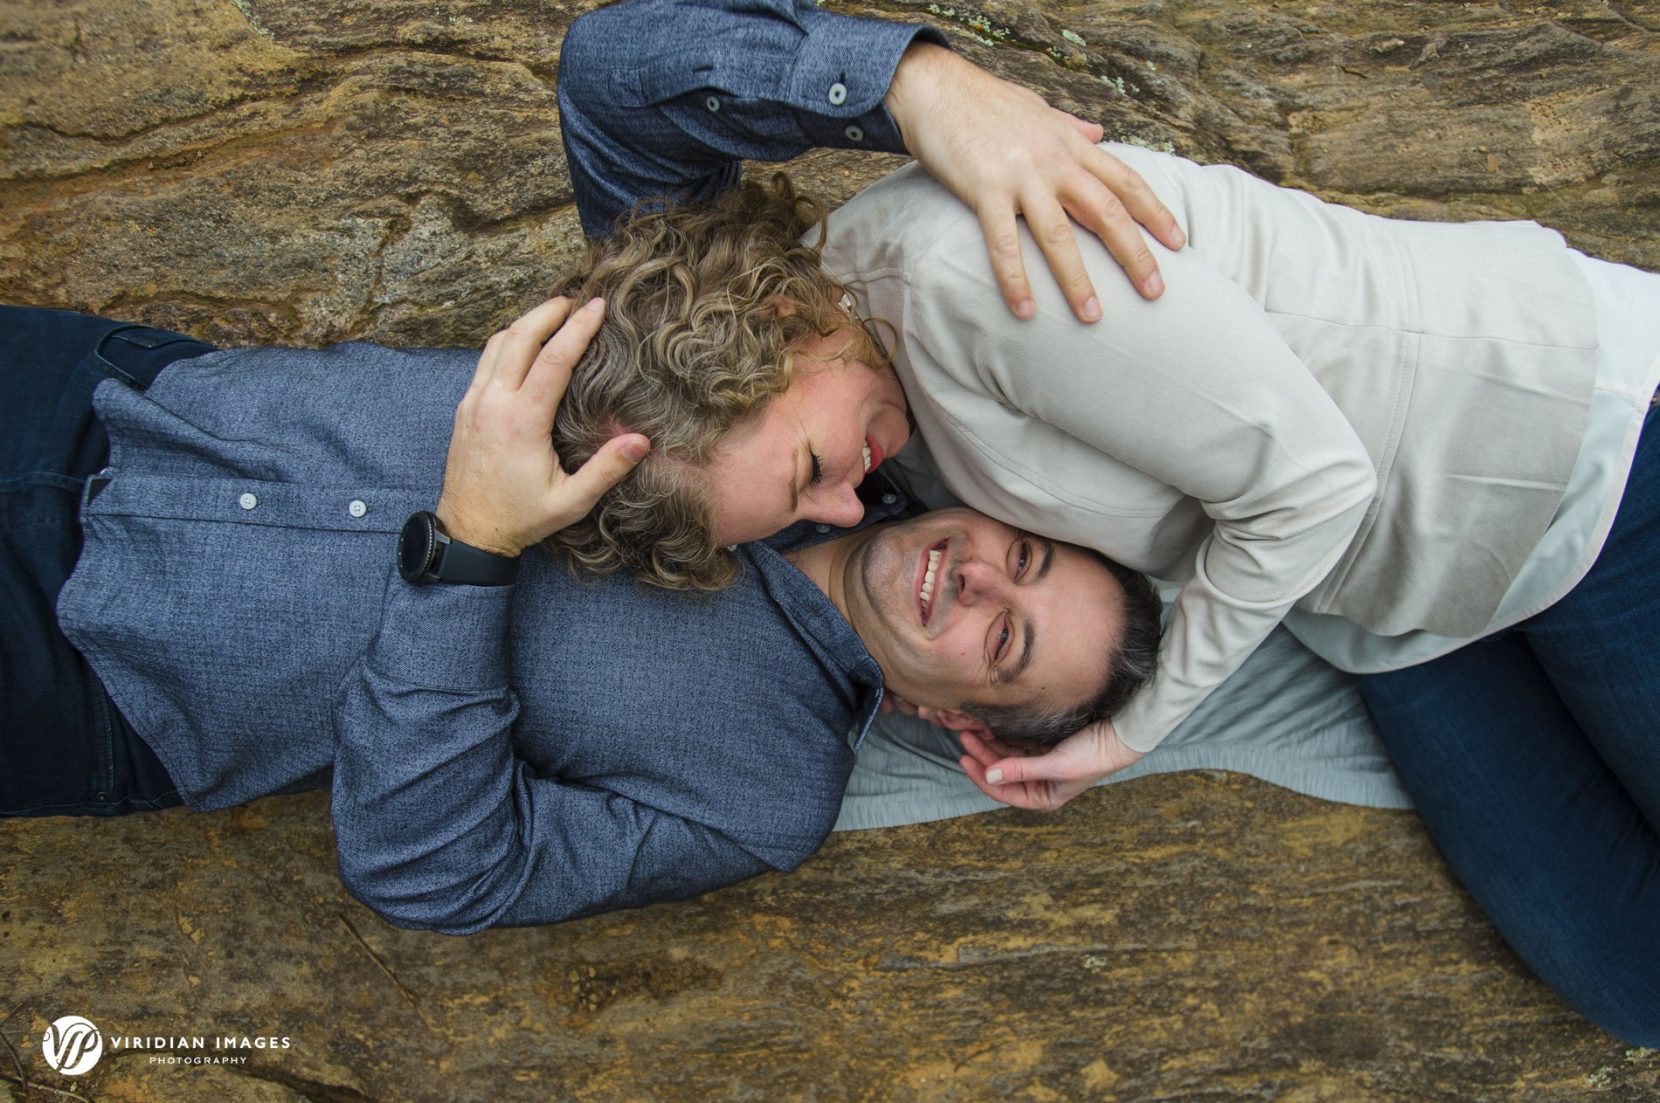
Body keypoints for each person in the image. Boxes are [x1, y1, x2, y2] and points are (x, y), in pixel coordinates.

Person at [554, 0, 1660, 1042]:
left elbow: (1315, 482)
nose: (844, 505)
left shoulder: (961, 279)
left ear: (778, 314)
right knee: (1628, 972)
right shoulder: (799, 385)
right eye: (802, 507)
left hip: (1569, 458)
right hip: (1386, 595)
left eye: (810, 470)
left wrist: (916, 83)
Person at [0, 301, 1161, 935]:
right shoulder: (827, 386)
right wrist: (919, 80)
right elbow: (622, 74)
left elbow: (437, 874)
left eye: (1004, 638)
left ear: (953, 718)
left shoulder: (762, 796)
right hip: (98, 396)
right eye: (1024, 554)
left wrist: (469, 558)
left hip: (84, 674)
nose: (977, 580)